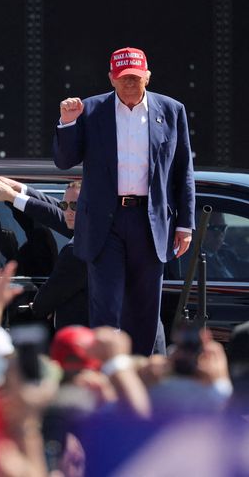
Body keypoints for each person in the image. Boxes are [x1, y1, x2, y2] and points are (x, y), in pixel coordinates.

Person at [54, 47, 195, 355]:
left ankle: (141, 376)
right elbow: (64, 161)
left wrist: (185, 224)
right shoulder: (91, 110)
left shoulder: (171, 110)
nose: (130, 84)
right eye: (123, 79)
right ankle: (107, 375)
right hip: (107, 221)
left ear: (147, 76)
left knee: (146, 308)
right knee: (106, 305)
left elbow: (183, 171)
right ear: (111, 79)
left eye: (135, 78)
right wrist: (67, 123)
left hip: (150, 219)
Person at [0, 177, 88, 328]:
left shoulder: (78, 247)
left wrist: (12, 197)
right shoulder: (92, 233)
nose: (68, 211)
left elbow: (49, 297)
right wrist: (20, 189)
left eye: (75, 205)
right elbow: (55, 212)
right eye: (64, 204)